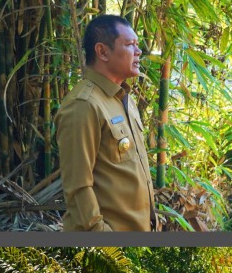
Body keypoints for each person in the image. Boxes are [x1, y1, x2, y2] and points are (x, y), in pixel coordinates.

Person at [55, 14, 157, 231]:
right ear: (102, 52)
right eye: (130, 45)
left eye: (137, 45)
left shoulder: (124, 99)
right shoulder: (83, 105)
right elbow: (78, 186)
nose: (139, 52)